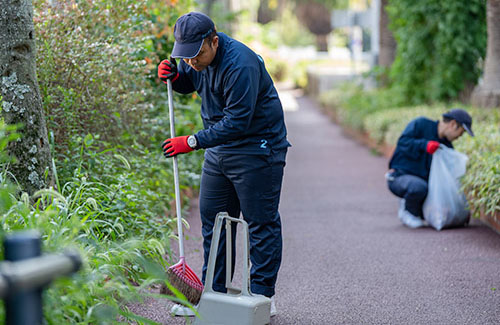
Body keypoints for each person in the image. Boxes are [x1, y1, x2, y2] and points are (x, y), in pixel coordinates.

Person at [157, 12, 290, 316]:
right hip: (220, 150)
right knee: (215, 223)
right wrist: (176, 78)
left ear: (214, 42)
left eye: (197, 54)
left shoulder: (240, 64)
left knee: (260, 223)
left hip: (258, 148)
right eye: (184, 57)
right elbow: (190, 80)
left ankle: (261, 298)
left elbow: (238, 122)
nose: (191, 62)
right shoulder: (197, 60)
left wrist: (191, 141)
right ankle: (212, 296)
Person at [386, 108, 474, 228]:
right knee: (418, 187)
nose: (460, 137)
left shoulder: (446, 147)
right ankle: (407, 212)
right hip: (399, 177)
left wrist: (459, 209)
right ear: (453, 124)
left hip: (425, 185)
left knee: (436, 208)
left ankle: (415, 208)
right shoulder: (421, 124)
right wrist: (425, 145)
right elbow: (403, 143)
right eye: (461, 132)